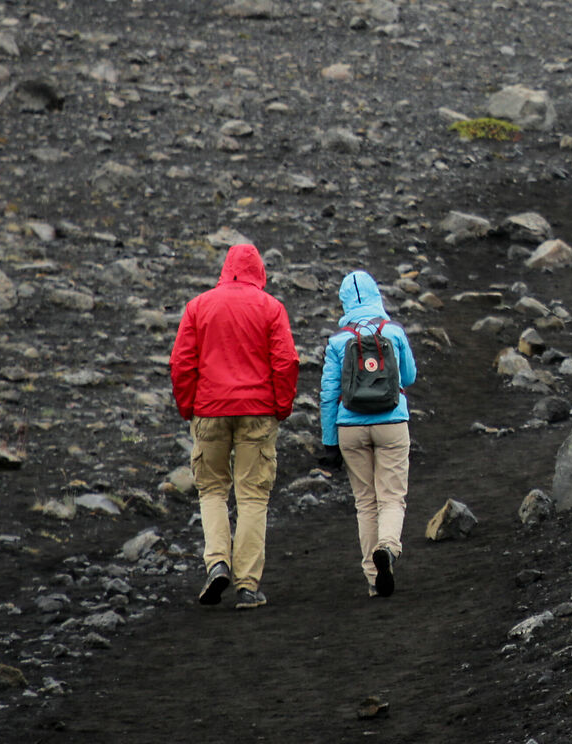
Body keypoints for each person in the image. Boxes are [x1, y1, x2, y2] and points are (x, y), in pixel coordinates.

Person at [170, 242, 299, 610]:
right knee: (252, 495)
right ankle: (247, 585)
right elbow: (286, 362)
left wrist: (189, 408)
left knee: (211, 490)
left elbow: (181, 363)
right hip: (258, 412)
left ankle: (217, 564)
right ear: (259, 270)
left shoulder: (199, 306)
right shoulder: (271, 308)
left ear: (226, 269)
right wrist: (281, 407)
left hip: (209, 410)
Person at [320, 270, 418, 599]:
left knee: (365, 503)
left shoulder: (337, 341)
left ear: (344, 301)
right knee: (391, 498)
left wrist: (329, 442)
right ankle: (388, 548)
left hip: (350, 428)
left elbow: (328, 393)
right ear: (378, 295)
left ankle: (374, 580)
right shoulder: (394, 332)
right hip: (392, 423)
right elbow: (409, 376)